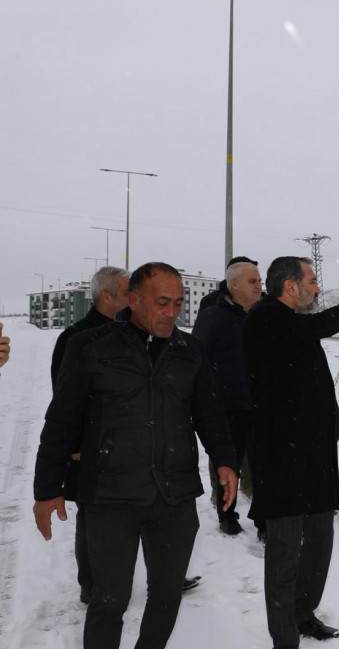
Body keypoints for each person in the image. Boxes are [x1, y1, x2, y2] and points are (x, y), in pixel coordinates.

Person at [33, 262, 239, 649]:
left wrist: (224, 461)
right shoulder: (91, 347)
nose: (171, 312)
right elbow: (61, 420)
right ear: (133, 300)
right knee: (109, 600)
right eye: (162, 302)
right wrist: (47, 489)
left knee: (166, 597)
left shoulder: (188, 350)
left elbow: (210, 413)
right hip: (110, 498)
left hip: (173, 496)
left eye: (178, 303)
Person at [244, 256, 339, 647]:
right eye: (312, 280)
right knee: (285, 550)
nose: (317, 288)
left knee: (320, 538)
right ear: (290, 287)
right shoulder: (267, 318)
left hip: (313, 456)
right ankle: (284, 638)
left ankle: (303, 612)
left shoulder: (290, 323)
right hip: (281, 460)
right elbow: (319, 325)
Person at [48, 266, 130, 605]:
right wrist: (77, 445)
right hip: (92, 445)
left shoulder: (132, 331)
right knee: (93, 516)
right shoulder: (75, 337)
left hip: (131, 442)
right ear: (107, 296)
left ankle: (161, 573)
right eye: (128, 293)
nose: (135, 299)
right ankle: (91, 583)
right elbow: (65, 399)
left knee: (140, 512)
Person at [192, 259, 264, 536]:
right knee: (226, 463)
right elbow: (198, 359)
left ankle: (263, 520)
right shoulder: (213, 316)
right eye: (252, 281)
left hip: (261, 406)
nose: (259, 286)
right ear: (233, 285)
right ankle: (227, 515)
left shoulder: (266, 314)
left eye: (259, 281)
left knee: (262, 466)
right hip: (227, 406)